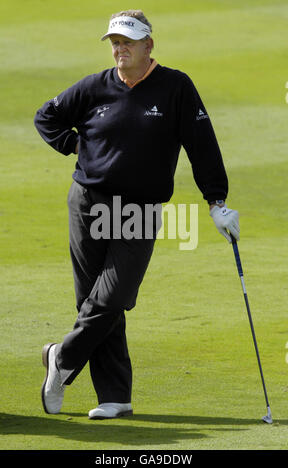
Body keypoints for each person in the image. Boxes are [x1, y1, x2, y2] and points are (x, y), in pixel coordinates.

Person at [34, 10, 240, 420]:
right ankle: (115, 396)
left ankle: (62, 358)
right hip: (88, 203)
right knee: (91, 298)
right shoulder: (95, 87)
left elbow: (202, 145)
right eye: (114, 41)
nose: (119, 48)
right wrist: (78, 148)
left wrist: (216, 202)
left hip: (139, 210)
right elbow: (47, 116)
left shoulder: (176, 87)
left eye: (128, 41)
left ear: (149, 45)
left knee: (112, 296)